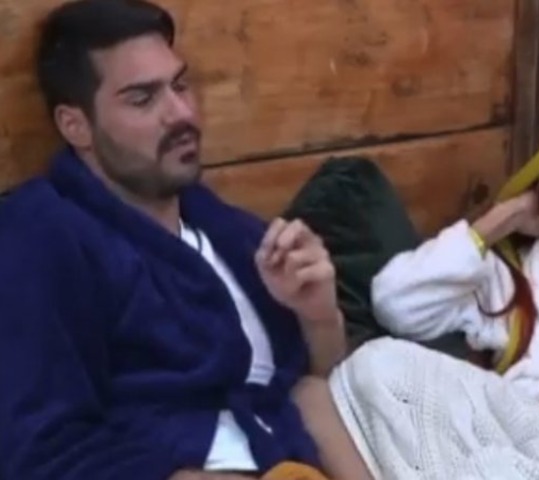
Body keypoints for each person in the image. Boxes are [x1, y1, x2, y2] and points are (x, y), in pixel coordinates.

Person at [0, 1, 372, 479]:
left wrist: (317, 317)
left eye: (179, 85)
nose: (180, 113)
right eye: (142, 99)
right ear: (76, 125)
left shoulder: (235, 236)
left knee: (383, 372)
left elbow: (319, 386)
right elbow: (41, 448)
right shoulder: (45, 236)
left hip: (307, 453)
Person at [328, 112, 539, 479]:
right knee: (376, 362)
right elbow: (396, 304)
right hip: (519, 443)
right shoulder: (510, 280)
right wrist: (498, 222)